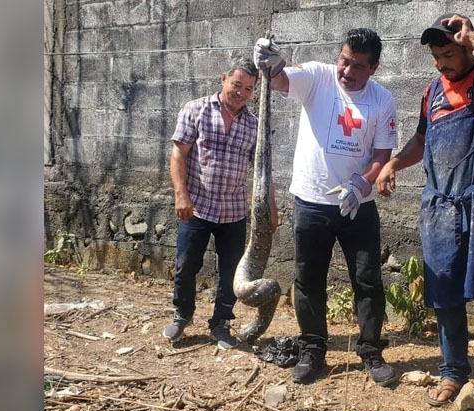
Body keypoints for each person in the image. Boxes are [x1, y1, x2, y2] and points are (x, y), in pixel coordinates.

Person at [373, 14, 474, 411]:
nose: (441, 63)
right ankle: (453, 372)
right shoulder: (433, 92)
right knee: (444, 297)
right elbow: (422, 139)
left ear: (466, 48)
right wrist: (393, 163)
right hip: (440, 208)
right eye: (436, 56)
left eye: (448, 54)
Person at [252, 28, 400, 386]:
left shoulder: (382, 101)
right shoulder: (318, 77)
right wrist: (270, 64)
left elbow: (382, 154)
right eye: (344, 60)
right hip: (311, 202)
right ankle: (313, 350)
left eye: (358, 67)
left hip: (358, 207)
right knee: (308, 279)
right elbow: (282, 80)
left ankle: (370, 351)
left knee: (367, 279)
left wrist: (362, 182)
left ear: (374, 68)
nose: (347, 71)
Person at [163, 57, 278, 350]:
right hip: (197, 206)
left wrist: (272, 206)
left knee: (231, 272)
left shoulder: (253, 125)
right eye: (237, 85)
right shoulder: (196, 110)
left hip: (234, 212)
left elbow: (262, 170)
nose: (241, 93)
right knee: (186, 264)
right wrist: (180, 194)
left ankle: (221, 324)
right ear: (223, 78)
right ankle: (182, 314)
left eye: (249, 89)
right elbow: (178, 155)